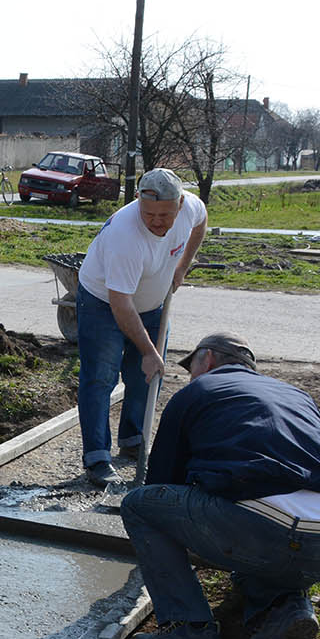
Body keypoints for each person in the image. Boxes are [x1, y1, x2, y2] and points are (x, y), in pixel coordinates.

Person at [120, 332, 320, 639]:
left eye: (192, 366)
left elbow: (162, 486)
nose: (191, 375)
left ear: (209, 359)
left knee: (139, 505)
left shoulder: (197, 392)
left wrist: (159, 556)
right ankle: (288, 608)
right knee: (257, 548)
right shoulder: (298, 396)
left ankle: (189, 631)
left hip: (263, 529)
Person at [77, 167, 207, 486]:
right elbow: (121, 304)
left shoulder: (190, 208)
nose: (157, 221)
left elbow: (202, 224)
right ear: (138, 202)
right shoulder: (125, 235)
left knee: (146, 376)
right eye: (149, 213)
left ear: (180, 205)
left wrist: (182, 266)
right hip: (102, 303)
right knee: (100, 377)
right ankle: (96, 458)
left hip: (152, 303)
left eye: (165, 214)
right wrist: (148, 349)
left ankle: (133, 439)